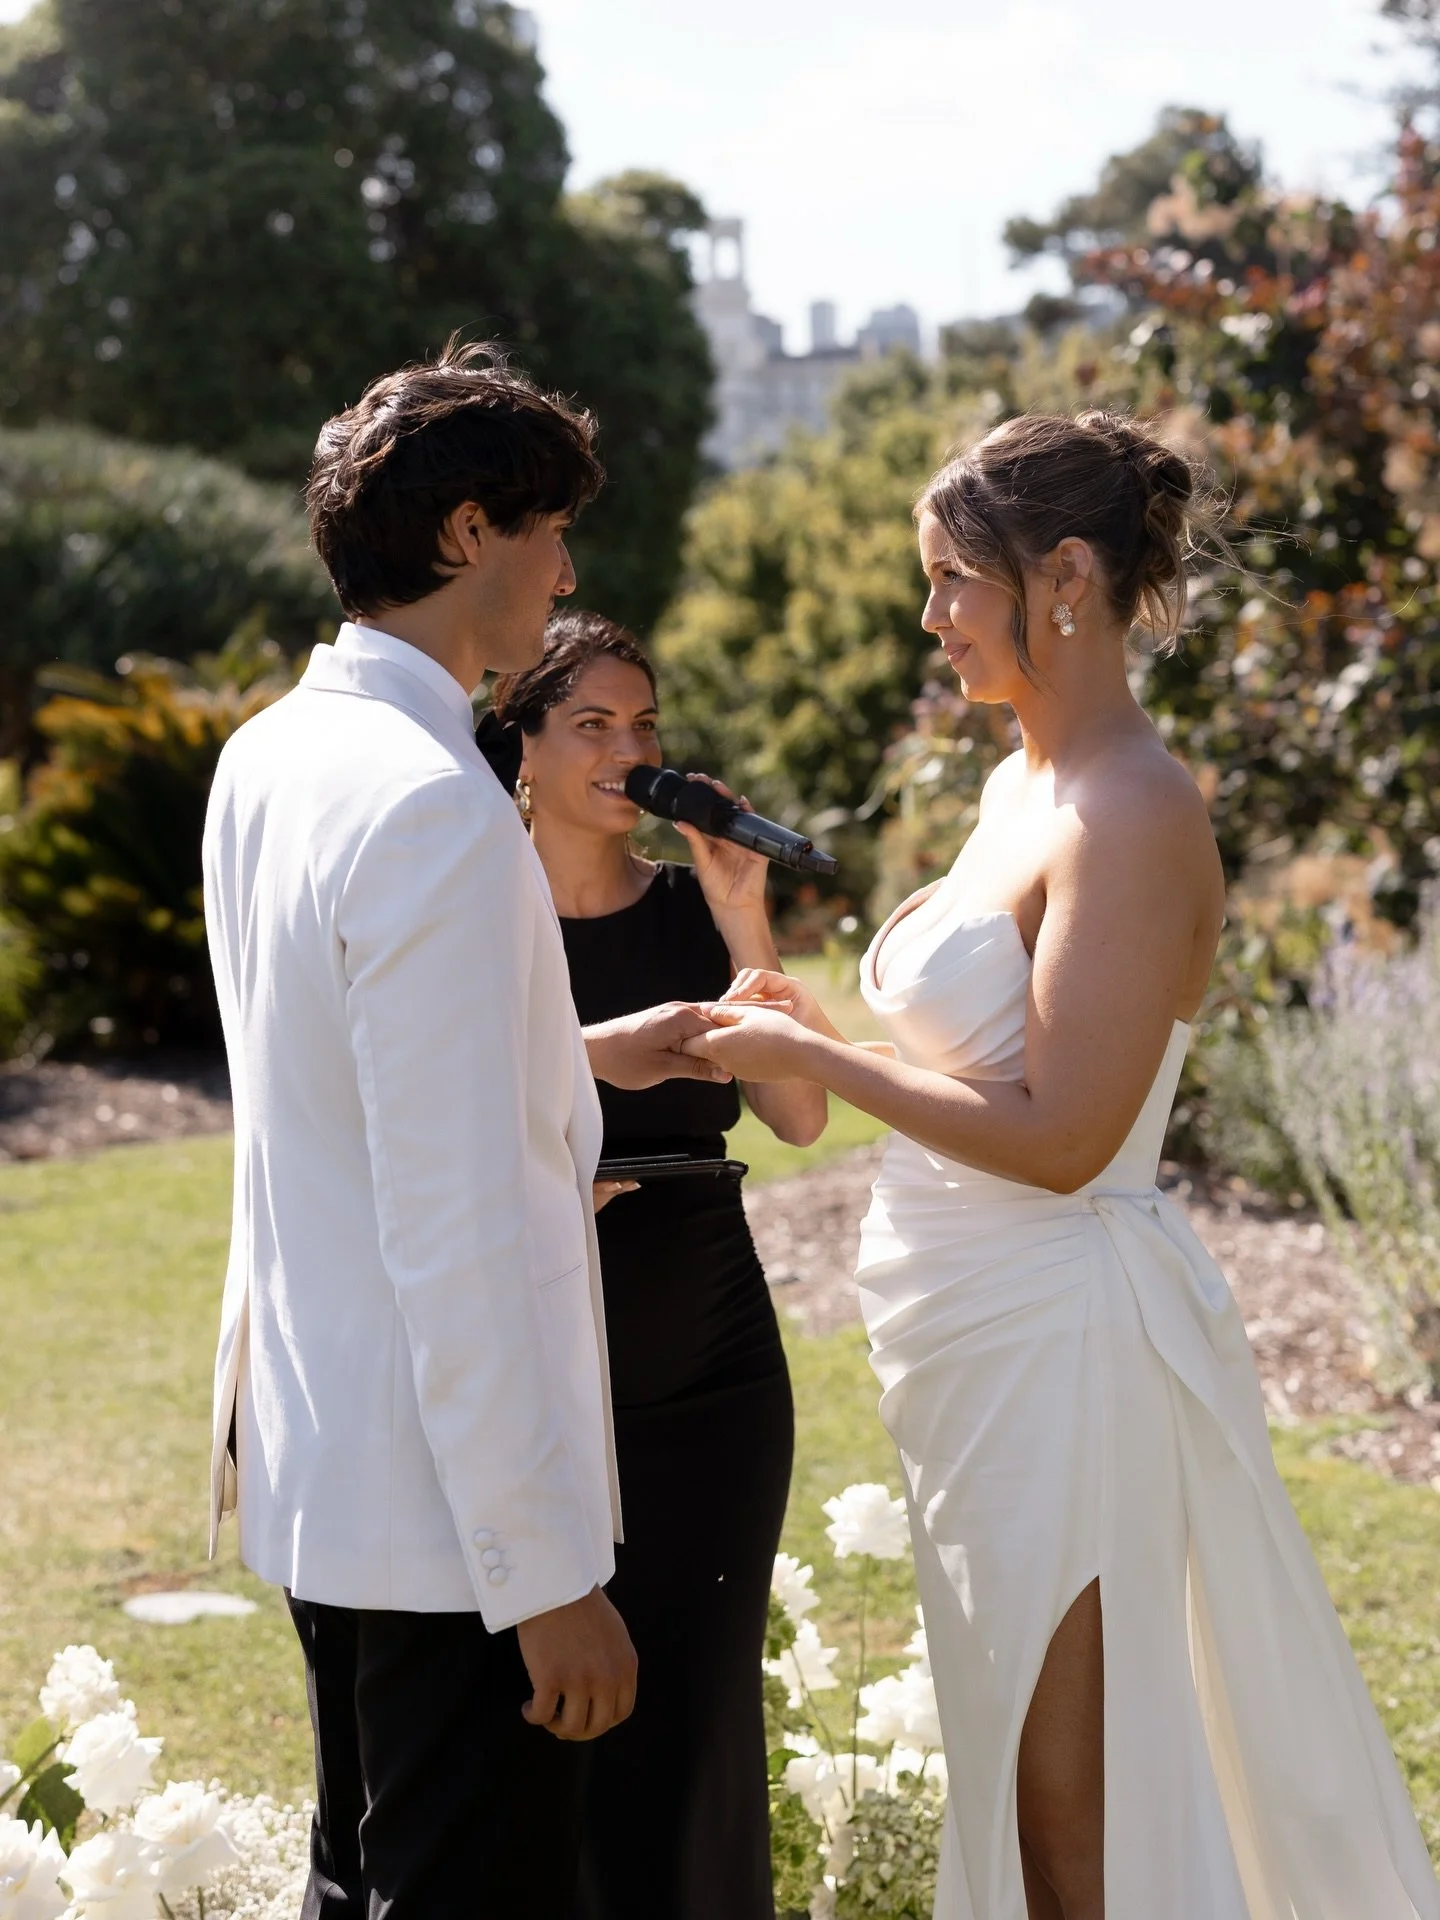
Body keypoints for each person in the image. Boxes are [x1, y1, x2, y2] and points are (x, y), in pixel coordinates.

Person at [681, 411, 1440, 1920]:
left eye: (955, 577)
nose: (931, 615)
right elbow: (980, 1063)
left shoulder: (1135, 813)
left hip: (1062, 1336)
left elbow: (1066, 1138)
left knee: (1068, 1776)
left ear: (1068, 575)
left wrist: (826, 1066)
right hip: (968, 1330)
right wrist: (787, 988)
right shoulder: (1017, 784)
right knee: (1004, 1739)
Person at [201, 342, 723, 1920]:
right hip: (446, 1533)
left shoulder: (269, 755)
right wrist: (546, 1577)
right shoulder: (434, 803)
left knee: (354, 1886)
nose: (566, 571)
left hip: (319, 1474)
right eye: (549, 532)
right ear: (466, 534)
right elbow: (453, 1222)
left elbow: (341, 1104)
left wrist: (566, 1071)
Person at [488, 610, 826, 1920]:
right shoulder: (476, 912)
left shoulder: (692, 909)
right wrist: (598, 1051)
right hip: (534, 1366)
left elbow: (798, 1117)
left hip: (712, 1374)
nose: (627, 752)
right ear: (521, 744)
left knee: (696, 1726)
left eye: (645, 727)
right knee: (542, 1730)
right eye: (590, 725)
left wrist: (743, 912)